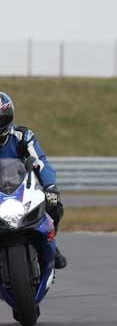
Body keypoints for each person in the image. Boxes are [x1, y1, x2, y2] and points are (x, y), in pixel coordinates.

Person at [0, 92, 67, 268]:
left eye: (1, 119)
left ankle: (51, 242)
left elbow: (40, 162)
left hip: (22, 188)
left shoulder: (22, 136)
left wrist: (50, 186)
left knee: (54, 204)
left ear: (10, 118)